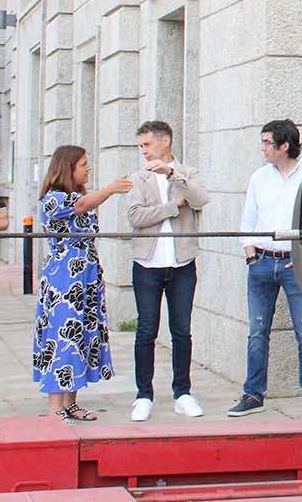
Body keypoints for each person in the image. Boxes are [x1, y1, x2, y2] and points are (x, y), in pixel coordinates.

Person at [227, 119, 302, 418]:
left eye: (268, 143)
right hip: (261, 260)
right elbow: (248, 221)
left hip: (294, 264)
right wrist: (250, 256)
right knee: (258, 331)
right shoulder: (259, 177)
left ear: (285, 145)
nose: (263, 148)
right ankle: (253, 393)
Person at [32, 145, 131, 421]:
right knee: (62, 336)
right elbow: (80, 207)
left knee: (83, 336)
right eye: (83, 164)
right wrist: (110, 189)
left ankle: (72, 402)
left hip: (86, 276)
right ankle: (55, 407)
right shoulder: (53, 199)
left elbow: (85, 206)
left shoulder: (80, 195)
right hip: (64, 279)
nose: (88, 169)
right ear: (68, 168)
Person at [124, 120, 210, 421]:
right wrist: (172, 208)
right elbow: (135, 216)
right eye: (141, 146)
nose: (143, 151)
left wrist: (173, 175)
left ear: (165, 142)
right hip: (147, 265)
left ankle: (182, 392)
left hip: (182, 264)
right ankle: (143, 395)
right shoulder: (138, 178)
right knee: (146, 330)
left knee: (181, 332)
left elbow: (201, 199)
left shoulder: (186, 174)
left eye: (147, 144)